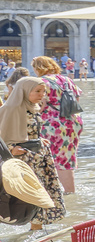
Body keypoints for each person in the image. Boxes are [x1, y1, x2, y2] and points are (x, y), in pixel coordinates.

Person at [0, 77, 65, 229]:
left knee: (38, 195)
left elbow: (27, 131)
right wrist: (10, 149)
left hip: (36, 158)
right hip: (21, 161)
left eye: (43, 91)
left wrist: (39, 140)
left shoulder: (32, 108)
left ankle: (35, 234)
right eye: (37, 91)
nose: (42, 95)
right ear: (24, 91)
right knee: (23, 196)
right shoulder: (10, 109)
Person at [31, 56, 83, 196]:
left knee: (48, 157)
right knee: (66, 158)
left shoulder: (41, 82)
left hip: (52, 123)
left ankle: (51, 192)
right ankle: (70, 192)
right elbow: (76, 100)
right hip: (73, 121)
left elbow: (39, 107)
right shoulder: (67, 80)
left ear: (38, 68)